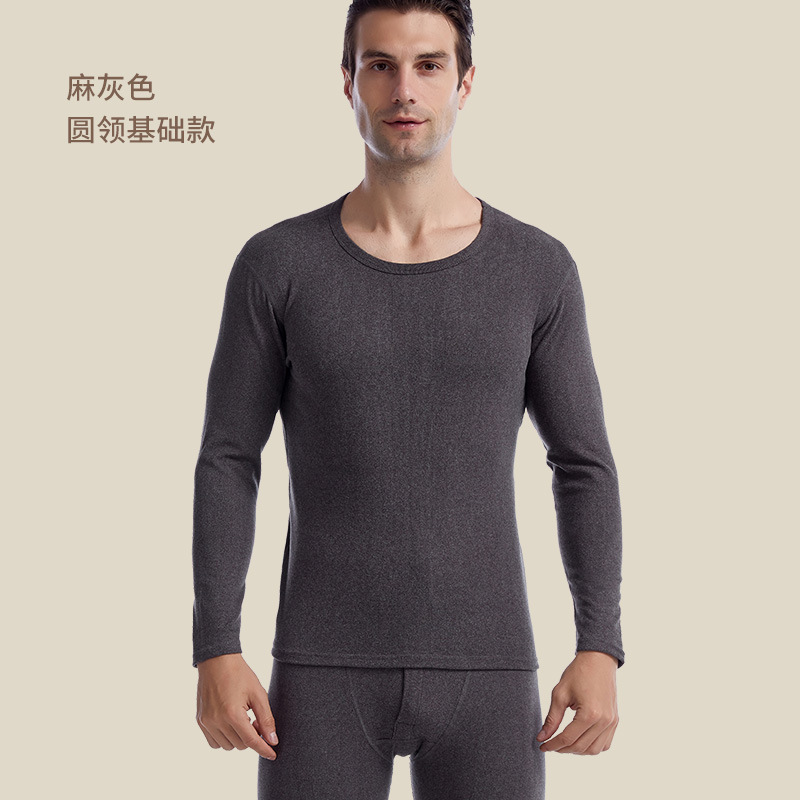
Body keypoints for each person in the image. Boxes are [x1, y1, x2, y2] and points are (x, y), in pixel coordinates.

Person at [192, 1, 624, 798]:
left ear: (466, 82)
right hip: (318, 674)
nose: (404, 90)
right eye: (380, 65)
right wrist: (215, 644)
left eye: (429, 65)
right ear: (347, 81)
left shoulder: (537, 270)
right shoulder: (278, 264)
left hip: (489, 670)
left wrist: (599, 642)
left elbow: (583, 462)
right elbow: (228, 456)